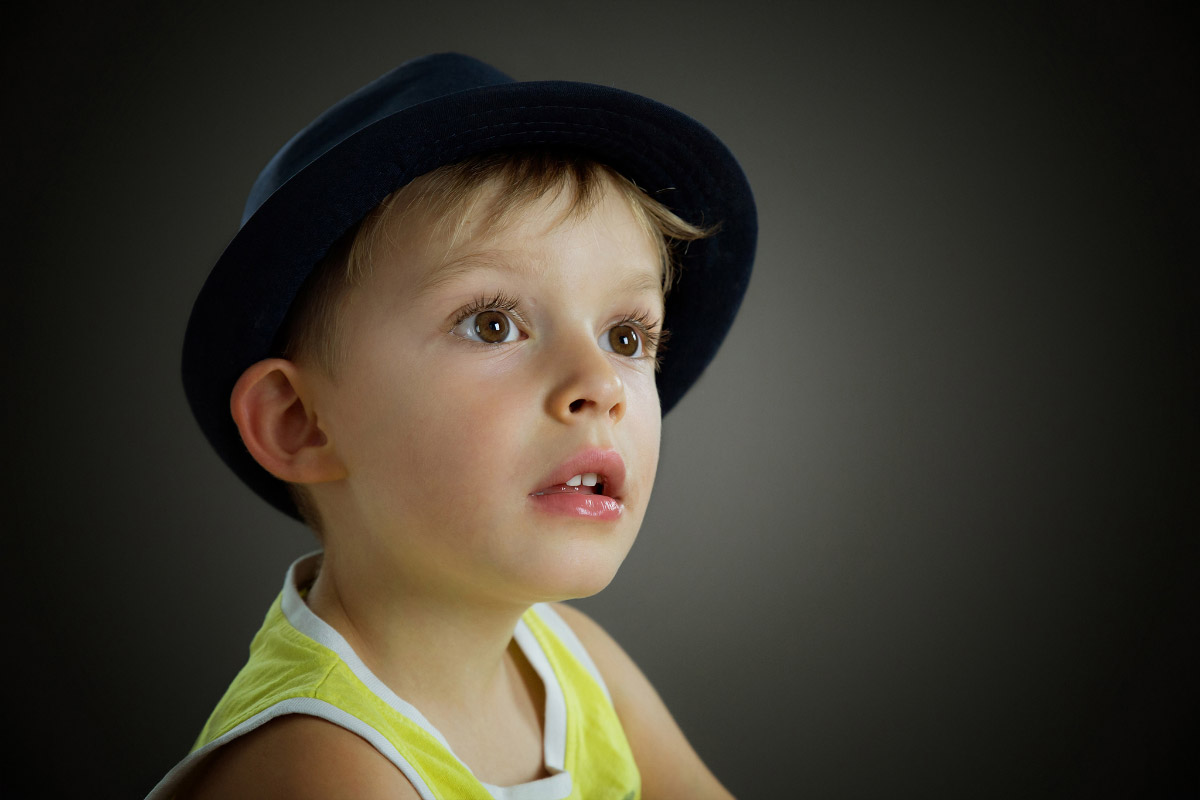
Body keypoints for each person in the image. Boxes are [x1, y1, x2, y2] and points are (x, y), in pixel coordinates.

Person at [148, 52, 756, 800]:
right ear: (301, 423)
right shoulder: (321, 767)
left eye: (626, 337)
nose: (599, 385)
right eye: (493, 324)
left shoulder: (570, 662)